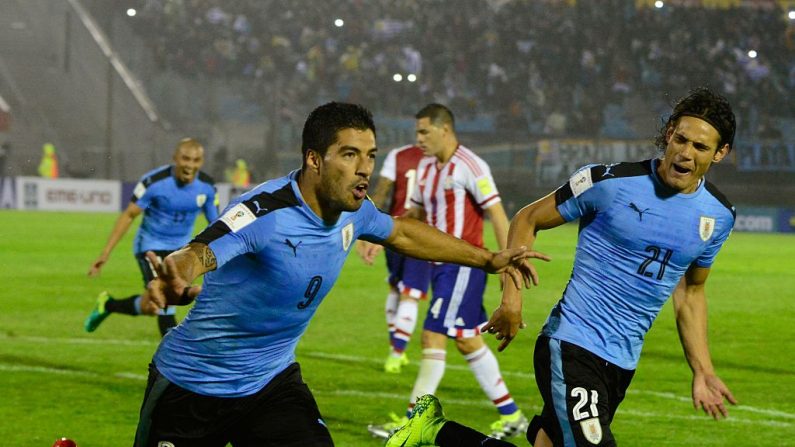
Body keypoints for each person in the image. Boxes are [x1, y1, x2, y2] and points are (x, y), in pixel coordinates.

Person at [132, 102, 549, 447]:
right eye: (350, 155)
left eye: (370, 156)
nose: (365, 168)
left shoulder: (356, 212)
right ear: (315, 159)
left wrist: (488, 260)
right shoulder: (266, 212)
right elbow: (203, 249)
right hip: (192, 388)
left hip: (270, 386)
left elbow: (402, 231)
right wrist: (177, 272)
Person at [385, 87, 739, 447]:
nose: (685, 153)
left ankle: (435, 431)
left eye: (700, 147)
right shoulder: (609, 183)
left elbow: (691, 292)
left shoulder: (719, 216)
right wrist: (511, 298)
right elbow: (527, 219)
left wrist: (703, 370)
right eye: (681, 139)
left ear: (721, 153)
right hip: (572, 343)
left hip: (621, 363)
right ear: (668, 134)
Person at [371, 104, 530, 441]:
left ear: (445, 129)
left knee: (432, 336)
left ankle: (411, 423)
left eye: (424, 132)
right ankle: (513, 416)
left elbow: (498, 215)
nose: (418, 139)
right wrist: (379, 236)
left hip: (463, 266)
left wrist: (507, 263)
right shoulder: (427, 167)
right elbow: (412, 212)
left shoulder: (470, 165)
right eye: (417, 133)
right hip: (439, 265)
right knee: (468, 341)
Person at [85, 138, 218, 336]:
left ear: (202, 162)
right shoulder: (154, 182)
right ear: (175, 158)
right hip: (150, 247)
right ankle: (175, 362)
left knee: (151, 306)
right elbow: (129, 215)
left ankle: (109, 305)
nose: (190, 165)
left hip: (180, 251)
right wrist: (105, 253)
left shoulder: (207, 187)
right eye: (185, 159)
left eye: (195, 160)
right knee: (167, 301)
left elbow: (216, 225)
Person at [358, 143, 431, 374]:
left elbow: (380, 193)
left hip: (394, 229)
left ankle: (397, 349)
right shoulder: (440, 159)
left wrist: (370, 229)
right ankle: (397, 354)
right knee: (410, 295)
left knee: (395, 288)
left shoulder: (397, 155)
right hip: (424, 233)